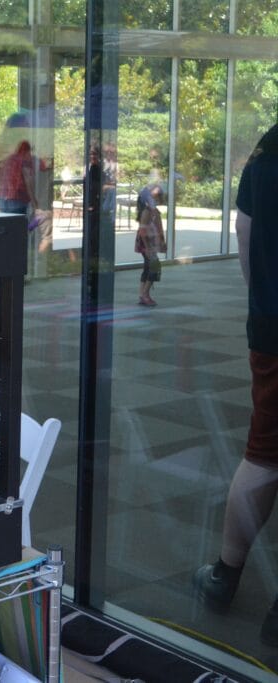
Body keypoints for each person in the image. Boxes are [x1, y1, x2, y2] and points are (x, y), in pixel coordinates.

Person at [193, 124, 278, 646]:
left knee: (264, 453)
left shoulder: (266, 149)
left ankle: (226, 573)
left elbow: (245, 238)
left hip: (272, 329)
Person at [134, 183, 166, 306]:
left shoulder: (152, 211)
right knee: (154, 267)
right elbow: (143, 231)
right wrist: (147, 247)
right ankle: (145, 294)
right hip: (146, 244)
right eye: (159, 196)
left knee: (148, 267)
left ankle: (142, 294)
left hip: (149, 244)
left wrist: (161, 242)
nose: (162, 198)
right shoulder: (147, 212)